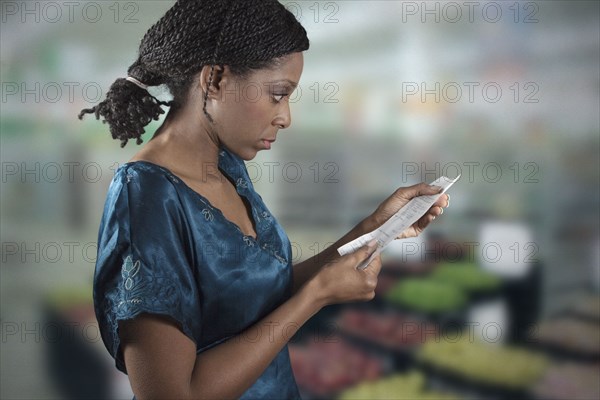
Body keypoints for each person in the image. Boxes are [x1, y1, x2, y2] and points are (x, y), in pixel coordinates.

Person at [79, 0, 449, 399]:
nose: (286, 117)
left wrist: (373, 228)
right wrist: (315, 297)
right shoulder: (146, 196)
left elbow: (257, 292)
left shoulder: (226, 167)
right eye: (277, 95)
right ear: (215, 80)